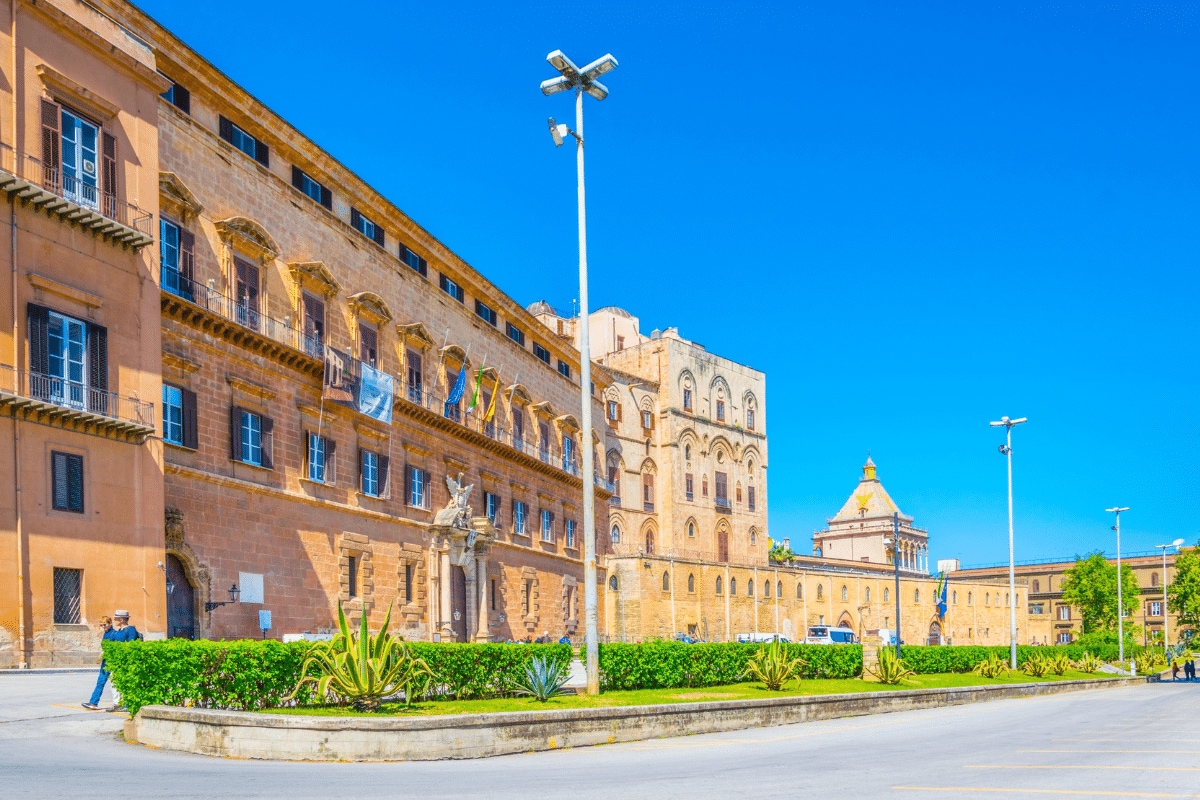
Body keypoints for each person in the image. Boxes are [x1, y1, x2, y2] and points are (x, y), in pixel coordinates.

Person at [82, 616, 118, 711]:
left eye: (105, 624)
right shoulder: (105, 634)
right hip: (105, 662)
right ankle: (93, 702)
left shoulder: (115, 634)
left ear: (110, 624)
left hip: (112, 662)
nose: (103, 627)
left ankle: (120, 703)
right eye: (101, 625)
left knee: (116, 684)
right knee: (100, 682)